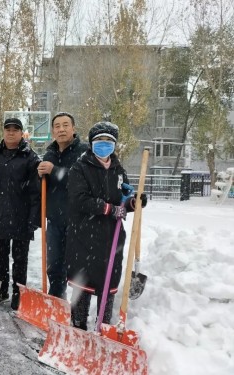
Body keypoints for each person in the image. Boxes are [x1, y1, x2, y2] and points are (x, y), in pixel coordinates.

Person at [66, 121, 147, 330]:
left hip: (112, 237)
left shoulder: (118, 171)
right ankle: (78, 327)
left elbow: (123, 200)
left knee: (108, 284)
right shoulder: (80, 168)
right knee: (83, 285)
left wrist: (133, 202)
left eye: (108, 140)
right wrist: (109, 209)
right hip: (84, 235)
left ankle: (103, 329)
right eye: (99, 140)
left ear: (114, 144)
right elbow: (79, 200)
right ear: (91, 143)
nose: (104, 144)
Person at [0, 118, 41, 310]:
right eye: (7, 129)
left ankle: (18, 292)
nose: (11, 133)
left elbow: (36, 191)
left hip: (21, 217)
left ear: (21, 133)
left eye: (15, 130)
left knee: (20, 259)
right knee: (0, 257)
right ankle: (1, 290)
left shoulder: (30, 158)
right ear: (3, 132)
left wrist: (34, 218)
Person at [37, 112, 88, 299]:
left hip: (77, 218)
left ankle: (78, 305)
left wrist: (54, 171)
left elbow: (81, 181)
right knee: (54, 262)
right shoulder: (49, 153)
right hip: (55, 218)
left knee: (75, 263)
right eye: (57, 126)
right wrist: (40, 175)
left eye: (66, 125)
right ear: (52, 131)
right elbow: (44, 185)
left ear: (73, 128)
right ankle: (56, 297)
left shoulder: (84, 152)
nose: (61, 129)